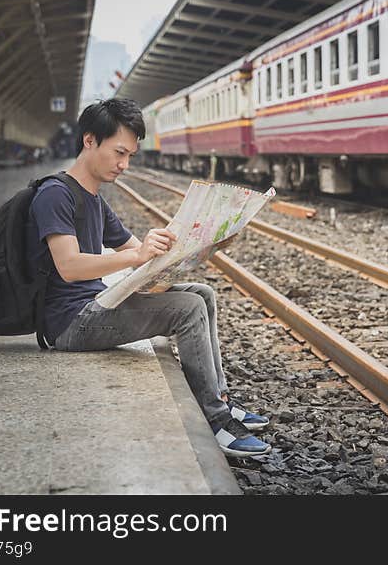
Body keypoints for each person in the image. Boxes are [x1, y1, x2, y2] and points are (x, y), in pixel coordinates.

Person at [26, 98, 270, 458]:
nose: (124, 165)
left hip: (94, 305)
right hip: (69, 324)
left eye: (130, 157)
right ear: (90, 140)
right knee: (187, 309)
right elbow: (69, 267)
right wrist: (135, 256)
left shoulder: (93, 198)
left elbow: (142, 254)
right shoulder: (55, 194)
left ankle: (220, 399)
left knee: (200, 294)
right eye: (119, 153)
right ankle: (215, 421)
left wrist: (206, 243)